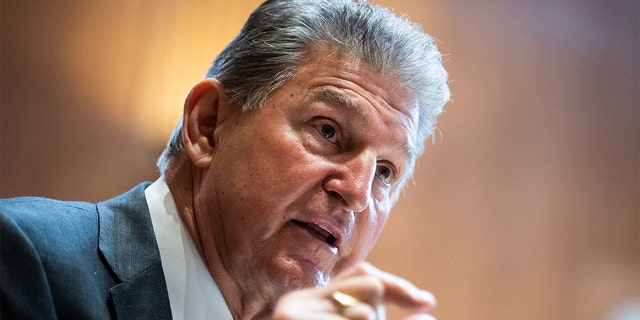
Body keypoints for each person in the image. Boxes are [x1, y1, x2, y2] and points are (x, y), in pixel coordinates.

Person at [0, 0, 450, 318]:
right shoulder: (25, 257)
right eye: (328, 131)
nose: (356, 193)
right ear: (209, 125)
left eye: (386, 171)